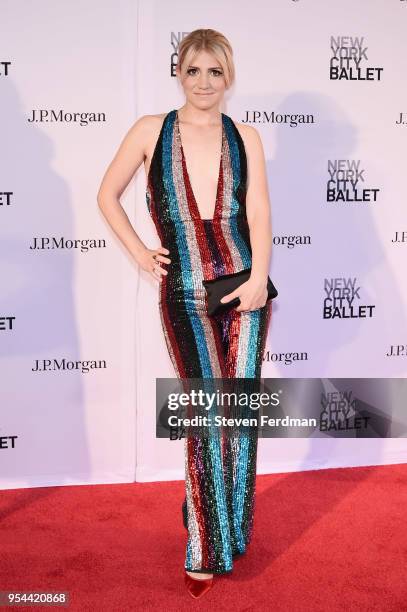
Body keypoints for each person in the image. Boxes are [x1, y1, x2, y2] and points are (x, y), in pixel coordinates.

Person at [97, 28, 273, 599]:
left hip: (244, 291)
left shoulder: (246, 136)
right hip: (183, 294)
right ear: (179, 72)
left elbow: (262, 215)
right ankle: (202, 542)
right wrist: (141, 252)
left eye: (214, 72)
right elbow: (107, 195)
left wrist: (256, 282)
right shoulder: (151, 130)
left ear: (230, 77)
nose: (203, 82)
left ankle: (230, 530)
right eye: (193, 70)